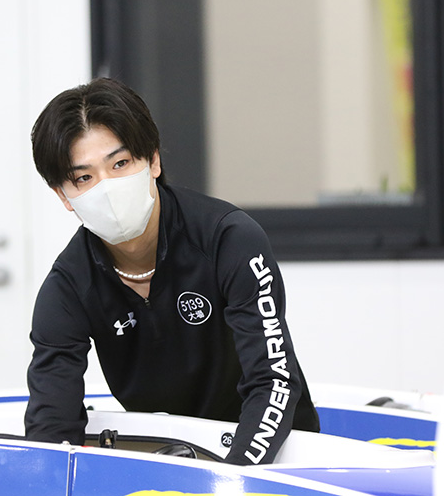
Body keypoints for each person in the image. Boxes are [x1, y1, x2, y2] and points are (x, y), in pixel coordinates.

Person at [24, 77, 319, 465]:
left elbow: (273, 380)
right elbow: (52, 422)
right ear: (63, 195)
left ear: (153, 161)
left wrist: (234, 481)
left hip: (275, 459)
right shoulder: (68, 286)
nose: (106, 187)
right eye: (84, 177)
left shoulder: (228, 240)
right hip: (168, 459)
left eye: (120, 163)